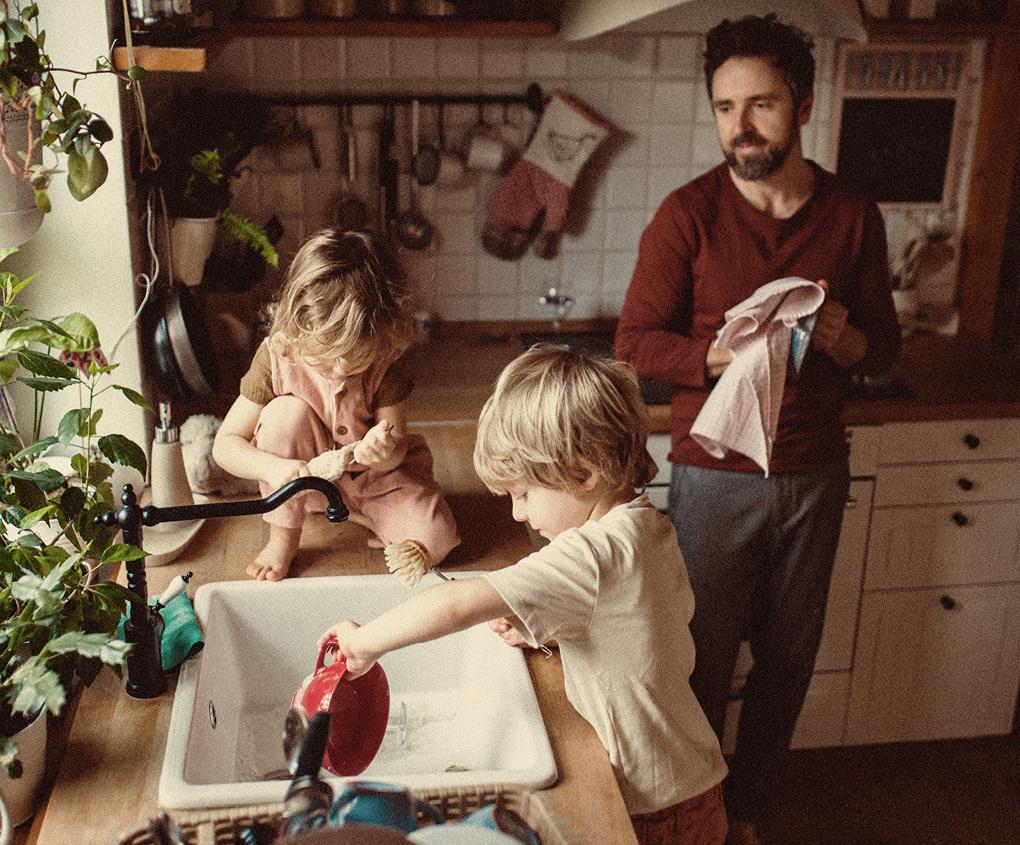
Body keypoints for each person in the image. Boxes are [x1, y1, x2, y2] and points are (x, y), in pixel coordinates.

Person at [614, 14, 901, 845]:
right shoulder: (687, 214)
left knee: (786, 660)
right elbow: (635, 344)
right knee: (701, 658)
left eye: (761, 104)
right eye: (725, 106)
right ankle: (696, 813)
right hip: (713, 473)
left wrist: (848, 338)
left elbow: (883, 345)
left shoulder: (852, 214)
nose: (740, 125)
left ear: (802, 104)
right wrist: (716, 356)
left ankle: (749, 815)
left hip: (815, 471)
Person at [318, 346, 730, 845]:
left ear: (583, 474)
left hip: (657, 807)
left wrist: (365, 643)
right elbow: (632, 632)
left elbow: (458, 603)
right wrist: (548, 630)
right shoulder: (645, 528)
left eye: (524, 494)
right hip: (691, 781)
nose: (517, 514)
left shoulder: (591, 554)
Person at [213, 228, 460, 581]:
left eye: (355, 358)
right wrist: (271, 468)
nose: (342, 369)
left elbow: (396, 453)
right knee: (285, 415)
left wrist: (383, 450)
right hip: (304, 483)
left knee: (437, 540)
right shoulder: (278, 354)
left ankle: (362, 513)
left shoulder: (384, 359)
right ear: (299, 325)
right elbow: (225, 445)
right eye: (327, 359)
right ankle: (284, 536)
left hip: (377, 483)